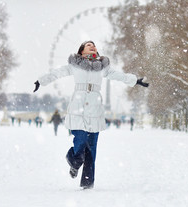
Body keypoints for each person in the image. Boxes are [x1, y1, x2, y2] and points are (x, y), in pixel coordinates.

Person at [34, 40, 148, 189]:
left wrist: (135, 81)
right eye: (89, 45)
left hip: (95, 109)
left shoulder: (102, 68)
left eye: (94, 45)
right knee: (80, 140)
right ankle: (74, 161)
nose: (92, 46)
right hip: (78, 108)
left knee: (91, 148)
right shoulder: (74, 66)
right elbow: (57, 73)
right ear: (81, 51)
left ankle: (88, 183)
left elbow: (118, 75)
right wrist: (40, 81)